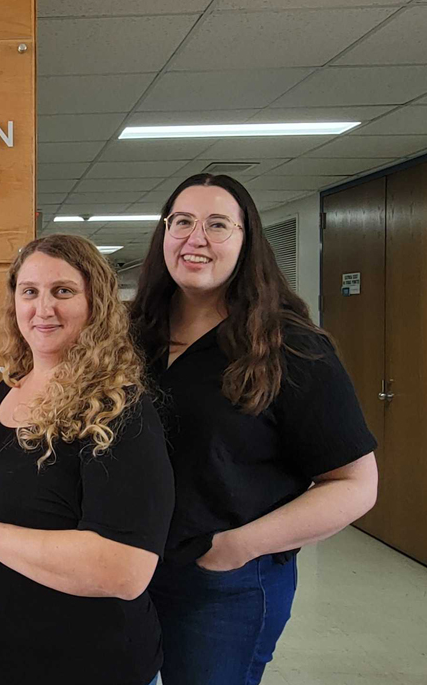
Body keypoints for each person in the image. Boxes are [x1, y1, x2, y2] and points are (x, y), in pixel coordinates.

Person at [0, 234, 175, 685]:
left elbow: (125, 569)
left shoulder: (120, 411)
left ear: (96, 304)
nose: (44, 309)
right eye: (30, 292)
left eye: (63, 291)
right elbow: (6, 497)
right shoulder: (12, 387)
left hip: (79, 664)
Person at [132, 174, 378, 685]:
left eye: (217, 225)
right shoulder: (132, 338)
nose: (195, 237)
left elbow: (355, 485)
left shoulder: (290, 347)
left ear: (247, 242)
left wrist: (237, 548)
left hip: (223, 588)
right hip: (127, 572)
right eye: (181, 222)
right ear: (163, 235)